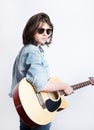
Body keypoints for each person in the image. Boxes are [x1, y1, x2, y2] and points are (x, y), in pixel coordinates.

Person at [9, 12, 73, 130]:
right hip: (39, 111)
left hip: (28, 109)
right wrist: (64, 86)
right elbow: (41, 85)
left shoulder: (26, 50)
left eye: (48, 31)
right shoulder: (33, 52)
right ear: (31, 30)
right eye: (41, 30)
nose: (45, 34)